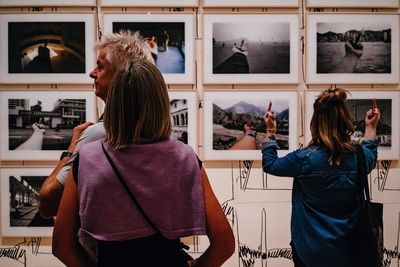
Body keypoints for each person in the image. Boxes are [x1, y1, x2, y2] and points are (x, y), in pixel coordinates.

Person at [52, 59, 235, 267]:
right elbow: (224, 244)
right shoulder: (185, 157)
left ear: (114, 104)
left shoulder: (88, 158)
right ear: (160, 104)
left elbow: (61, 246)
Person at [39, 30, 155, 219]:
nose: (92, 73)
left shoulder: (98, 134)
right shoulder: (157, 132)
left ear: (122, 76)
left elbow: (48, 203)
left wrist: (73, 145)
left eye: (100, 67)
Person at [262, 88, 380, 267]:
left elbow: (270, 165)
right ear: (345, 120)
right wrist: (371, 127)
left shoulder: (304, 158)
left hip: (309, 250)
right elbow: (370, 152)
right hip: (350, 249)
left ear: (315, 122)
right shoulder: (360, 157)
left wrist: (270, 131)